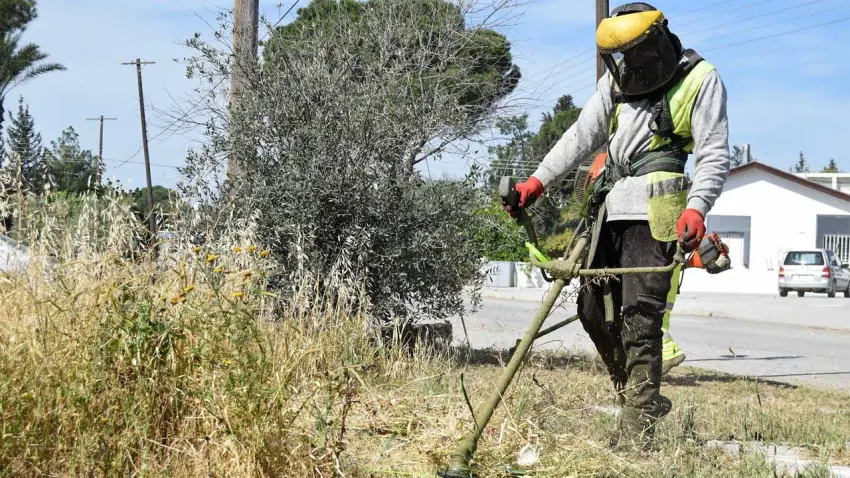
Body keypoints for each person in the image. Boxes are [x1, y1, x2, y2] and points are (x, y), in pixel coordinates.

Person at [504, 2, 731, 451]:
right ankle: (636, 399)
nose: (630, 63)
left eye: (635, 52)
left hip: (659, 212)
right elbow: (581, 134)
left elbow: (715, 153)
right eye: (621, 55)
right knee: (592, 312)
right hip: (610, 207)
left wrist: (698, 207)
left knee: (640, 318)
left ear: (657, 41)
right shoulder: (619, 80)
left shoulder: (701, 79)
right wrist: (538, 181)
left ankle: (636, 431)